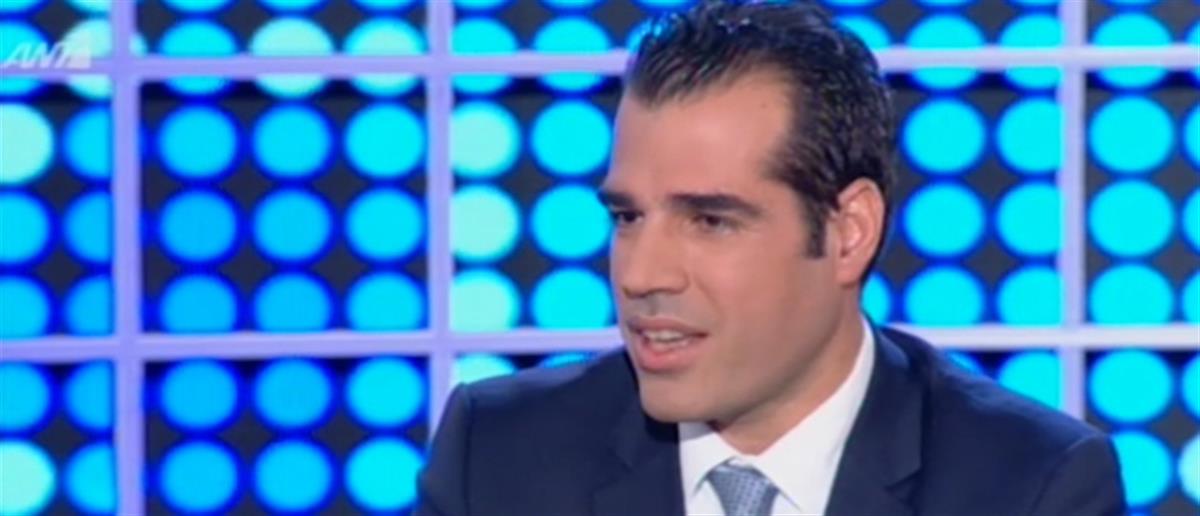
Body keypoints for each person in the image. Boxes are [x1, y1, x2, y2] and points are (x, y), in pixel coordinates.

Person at [416, 1, 1126, 514]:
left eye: (710, 220)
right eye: (628, 217)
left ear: (849, 231)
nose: (640, 274)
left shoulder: (1031, 486)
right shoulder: (496, 460)